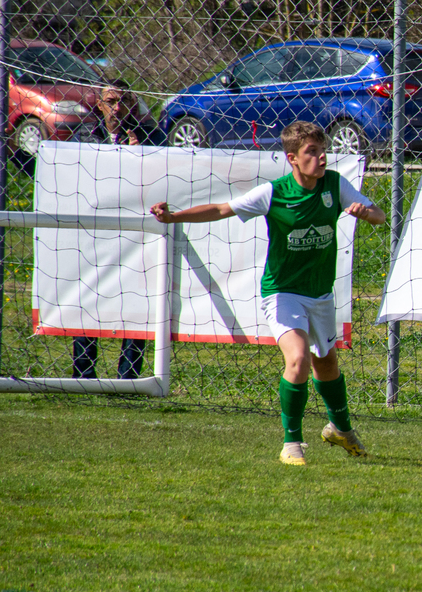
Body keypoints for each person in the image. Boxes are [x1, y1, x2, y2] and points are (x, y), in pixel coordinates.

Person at [151, 121, 386, 466]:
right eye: (312, 152)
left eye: (323, 151)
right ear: (293, 158)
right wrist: (173, 218)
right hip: (282, 292)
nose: (321, 158)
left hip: (320, 293)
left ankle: (341, 429)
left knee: (326, 362)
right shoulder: (273, 193)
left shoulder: (335, 185)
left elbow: (379, 215)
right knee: (298, 358)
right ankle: (292, 444)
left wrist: (366, 213)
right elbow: (222, 209)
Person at [72, 87, 152, 380]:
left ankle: (128, 376)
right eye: (111, 101)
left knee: (137, 301)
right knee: (88, 297)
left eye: (124, 101)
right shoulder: (84, 137)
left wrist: (140, 156)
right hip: (94, 231)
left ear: (134, 104)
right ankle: (83, 373)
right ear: (100, 105)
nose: (117, 108)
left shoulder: (152, 138)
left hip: (136, 234)